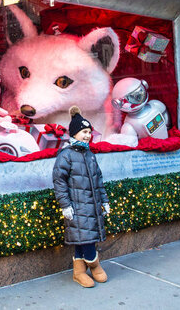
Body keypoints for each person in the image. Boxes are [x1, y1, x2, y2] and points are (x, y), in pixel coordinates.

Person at [53, 106, 111, 288]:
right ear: (74, 133)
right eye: (84, 132)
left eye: (89, 132)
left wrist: (105, 200)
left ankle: (78, 272)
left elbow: (98, 179)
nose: (87, 135)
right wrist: (65, 205)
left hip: (92, 205)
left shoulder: (89, 154)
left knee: (82, 238)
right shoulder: (66, 156)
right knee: (86, 239)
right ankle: (94, 264)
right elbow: (59, 182)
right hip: (77, 207)